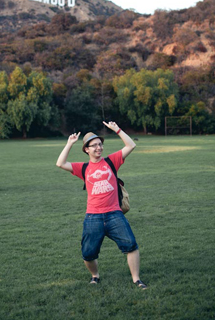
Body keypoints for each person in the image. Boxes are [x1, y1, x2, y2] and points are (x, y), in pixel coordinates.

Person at [55, 121, 147, 289]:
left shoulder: (112, 161)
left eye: (100, 144)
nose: (99, 147)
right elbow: (60, 163)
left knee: (131, 245)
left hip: (114, 214)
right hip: (93, 217)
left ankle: (136, 279)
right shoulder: (83, 168)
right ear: (86, 150)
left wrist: (117, 129)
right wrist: (69, 143)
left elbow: (131, 145)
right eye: (94, 145)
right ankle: (95, 275)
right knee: (88, 254)